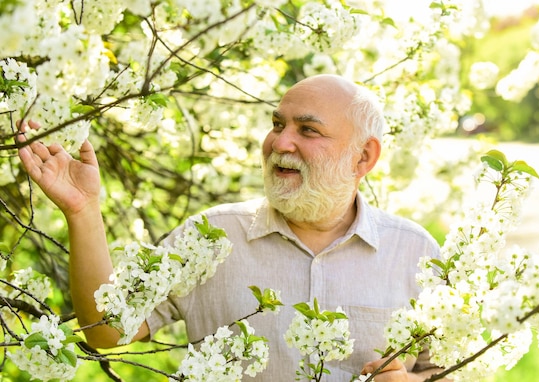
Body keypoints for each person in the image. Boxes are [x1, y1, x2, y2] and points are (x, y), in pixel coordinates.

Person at [18, 74, 443, 381]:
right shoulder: (210, 236)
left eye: (308, 130)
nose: (280, 143)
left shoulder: (415, 253)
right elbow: (108, 330)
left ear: (363, 158)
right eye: (278, 124)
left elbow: (450, 371)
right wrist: (83, 210)